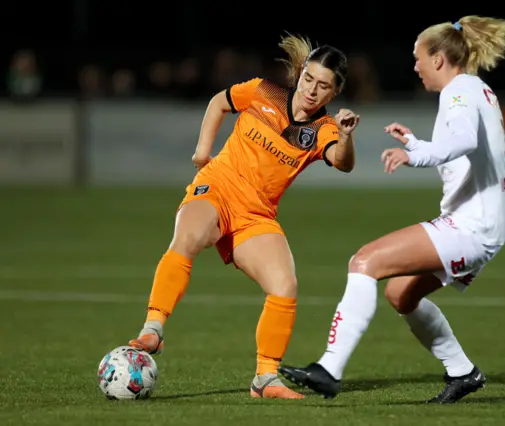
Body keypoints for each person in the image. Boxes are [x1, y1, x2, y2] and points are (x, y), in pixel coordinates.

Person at [278, 16, 505, 404]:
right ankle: (463, 372)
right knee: (401, 294)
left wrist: (416, 154)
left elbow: (463, 139)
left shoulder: (458, 91)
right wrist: (421, 142)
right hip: (482, 225)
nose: (415, 66)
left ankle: (329, 369)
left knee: (364, 262)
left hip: (472, 227)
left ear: (439, 59)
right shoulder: (474, 90)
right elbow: (466, 147)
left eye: (418, 57)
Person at [127, 34, 360, 399]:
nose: (313, 90)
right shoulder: (262, 91)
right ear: (300, 75)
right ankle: (153, 328)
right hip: (217, 186)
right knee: (188, 238)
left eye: (324, 86)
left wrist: (346, 137)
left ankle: (265, 379)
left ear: (335, 92)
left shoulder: (324, 129)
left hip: (256, 213)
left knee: (285, 286)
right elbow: (219, 102)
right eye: (309, 79)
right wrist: (203, 153)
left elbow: (342, 163)